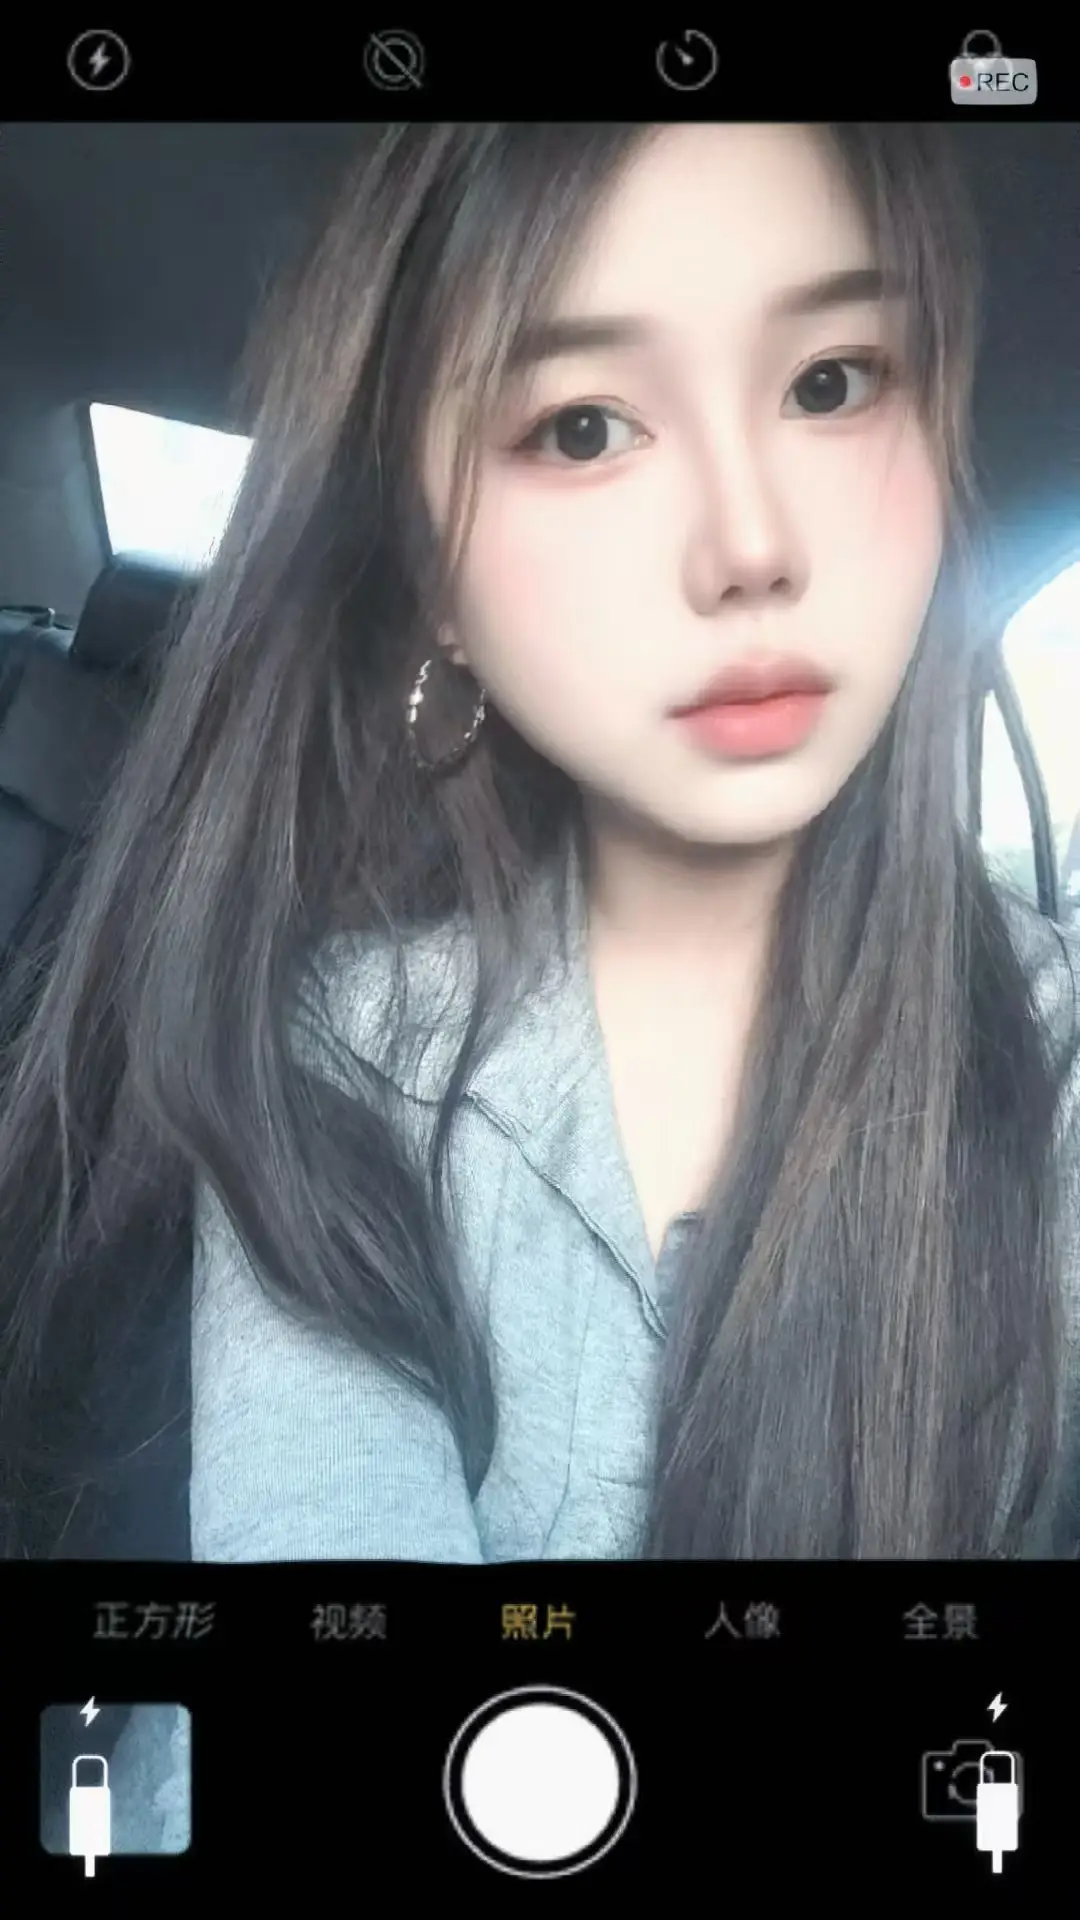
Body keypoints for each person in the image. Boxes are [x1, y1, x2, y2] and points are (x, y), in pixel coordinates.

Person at [1, 122, 1078, 1584]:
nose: (749, 544)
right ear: (436, 584)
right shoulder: (348, 1057)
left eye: (831, 382)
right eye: (582, 428)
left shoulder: (1048, 1053)